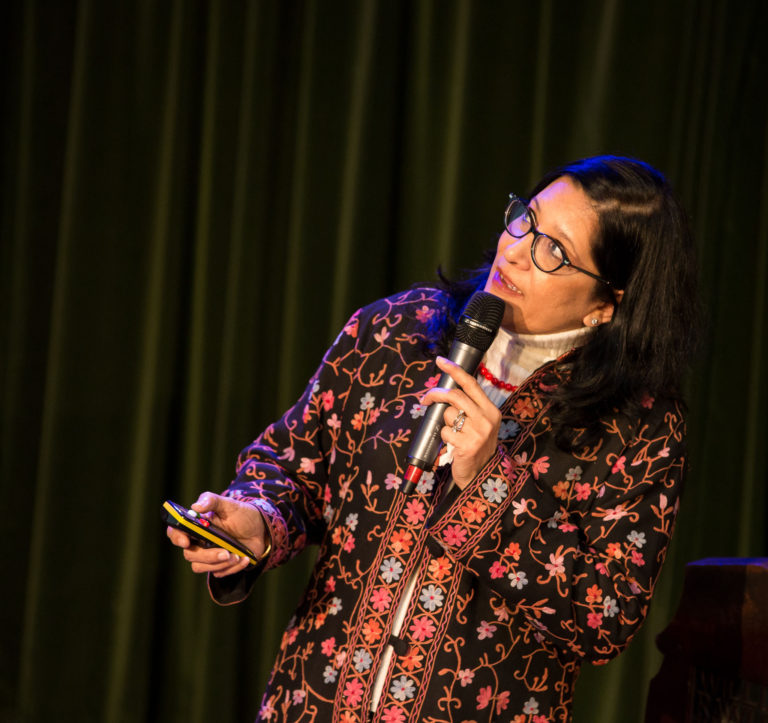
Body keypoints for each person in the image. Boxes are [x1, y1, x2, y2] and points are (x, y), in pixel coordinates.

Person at [167, 155, 700, 722]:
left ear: (607, 302)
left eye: (553, 250)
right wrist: (256, 519)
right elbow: (292, 463)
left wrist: (490, 482)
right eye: (526, 219)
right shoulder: (398, 330)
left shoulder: (639, 426)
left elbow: (606, 618)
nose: (515, 250)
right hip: (313, 700)